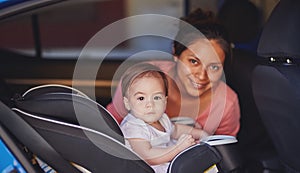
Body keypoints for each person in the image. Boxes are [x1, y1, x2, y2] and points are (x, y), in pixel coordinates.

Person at [107, 8, 240, 137]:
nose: (201, 75)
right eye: (194, 62)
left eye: (214, 67)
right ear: (175, 53)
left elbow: (224, 152)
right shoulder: (138, 79)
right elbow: (110, 128)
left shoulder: (226, 104)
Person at [120, 62, 208, 173]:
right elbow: (148, 156)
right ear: (127, 103)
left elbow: (176, 130)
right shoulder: (133, 127)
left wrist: (200, 133)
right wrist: (178, 148)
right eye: (141, 98)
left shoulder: (162, 119)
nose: (150, 104)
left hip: (171, 164)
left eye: (156, 97)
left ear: (165, 101)